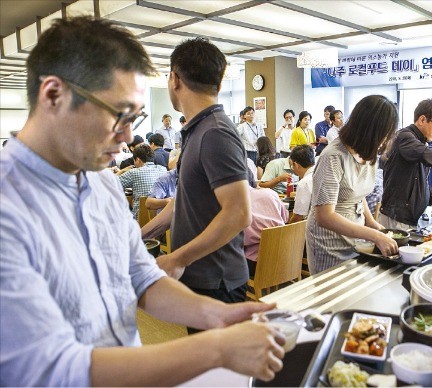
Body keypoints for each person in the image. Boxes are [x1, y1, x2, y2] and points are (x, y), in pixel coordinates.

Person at [0, 16, 284, 386]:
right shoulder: (10, 206)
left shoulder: (101, 181)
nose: (130, 135)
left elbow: (140, 276)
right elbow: (48, 369)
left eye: (136, 117)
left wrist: (216, 316)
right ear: (54, 95)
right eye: (119, 114)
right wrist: (216, 348)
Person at [141, 37, 257, 312]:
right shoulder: (199, 129)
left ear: (174, 79)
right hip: (202, 278)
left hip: (217, 282)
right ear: (217, 85)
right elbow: (184, 201)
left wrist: (178, 258)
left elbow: (239, 213)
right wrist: (139, 237)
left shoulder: (215, 132)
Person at [306, 95, 400, 274]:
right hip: (328, 240)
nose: (385, 140)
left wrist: (372, 223)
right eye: (383, 134)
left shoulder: (369, 153)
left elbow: (357, 193)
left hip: (356, 234)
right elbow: (324, 216)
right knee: (332, 296)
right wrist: (373, 235)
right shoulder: (333, 156)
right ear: (368, 129)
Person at [379, 99, 432, 230]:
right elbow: (424, 153)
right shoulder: (405, 137)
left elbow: (418, 183)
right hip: (396, 219)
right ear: (422, 120)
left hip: (409, 219)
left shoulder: (421, 142)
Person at [244, 186, 289, 277]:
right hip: (286, 256)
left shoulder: (236, 202)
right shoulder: (270, 193)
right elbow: (286, 218)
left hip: (257, 263)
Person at [118, 143, 168, 218]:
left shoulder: (134, 172)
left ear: (137, 159)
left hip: (139, 217)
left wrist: (120, 171)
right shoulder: (163, 170)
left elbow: (112, 184)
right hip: (161, 217)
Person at [288, 145, 316, 224]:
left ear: (296, 165)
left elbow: (298, 217)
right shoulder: (324, 173)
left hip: (313, 228)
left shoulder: (304, 183)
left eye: (292, 166)